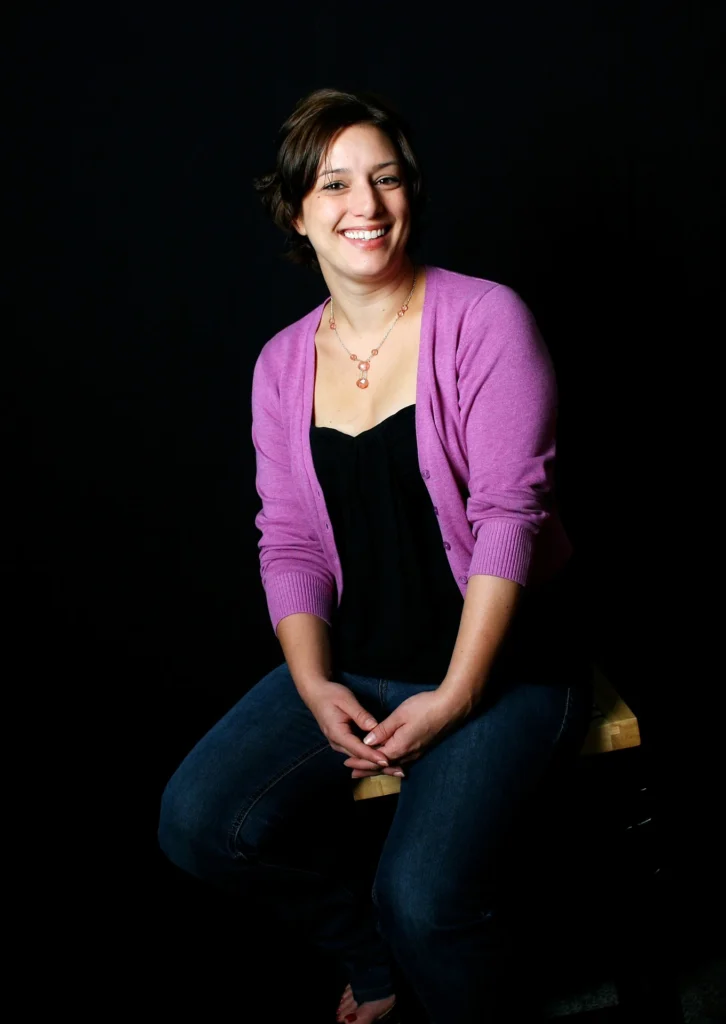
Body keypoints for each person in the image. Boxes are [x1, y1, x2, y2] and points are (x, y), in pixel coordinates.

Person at [158, 87, 593, 1023]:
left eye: (386, 179)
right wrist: (314, 684)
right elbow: (289, 540)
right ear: (296, 211)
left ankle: (425, 961)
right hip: (363, 660)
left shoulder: (485, 318)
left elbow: (512, 513)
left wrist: (458, 695)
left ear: (410, 193)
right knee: (197, 823)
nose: (366, 205)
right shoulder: (281, 365)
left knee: (423, 900)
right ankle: (373, 959)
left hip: (504, 667)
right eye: (335, 184)